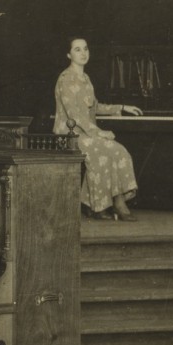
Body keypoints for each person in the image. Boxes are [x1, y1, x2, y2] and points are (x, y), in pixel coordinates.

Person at [53, 37, 143, 220]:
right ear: (69, 54)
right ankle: (112, 204)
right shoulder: (66, 79)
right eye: (77, 49)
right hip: (69, 134)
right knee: (105, 150)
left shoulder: (86, 79)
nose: (83, 53)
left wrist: (122, 107)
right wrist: (99, 132)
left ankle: (103, 203)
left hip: (86, 133)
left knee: (118, 151)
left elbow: (95, 107)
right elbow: (74, 115)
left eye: (85, 48)